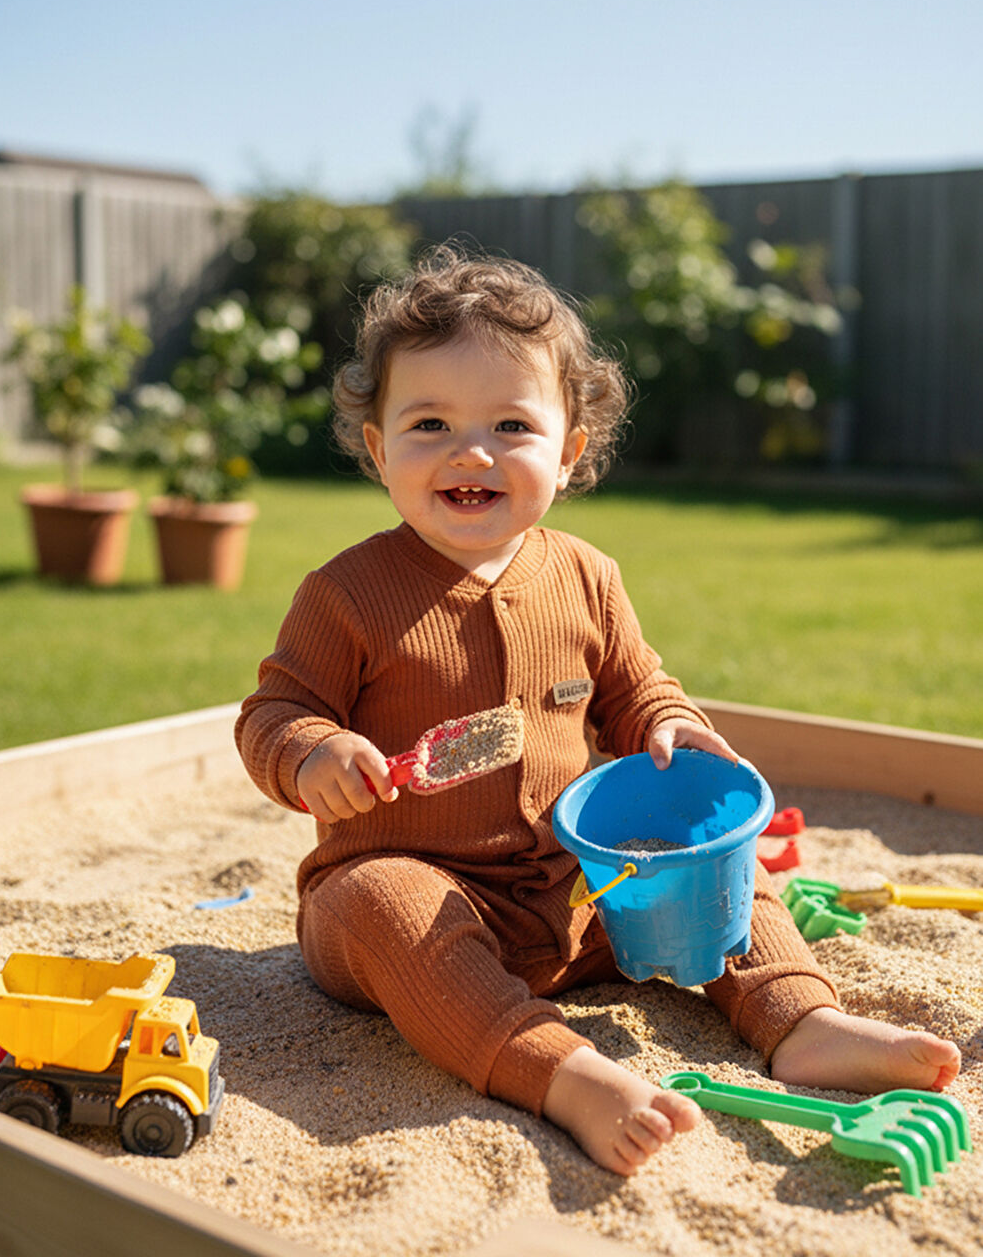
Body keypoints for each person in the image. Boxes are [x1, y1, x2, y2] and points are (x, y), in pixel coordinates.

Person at [236, 246, 960, 1176]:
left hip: (585, 901)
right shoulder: (347, 594)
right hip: (406, 896)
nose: (471, 451)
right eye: (429, 423)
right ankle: (561, 1070)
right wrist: (311, 752)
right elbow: (275, 709)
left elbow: (636, 688)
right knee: (386, 902)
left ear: (568, 451)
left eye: (510, 424)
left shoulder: (587, 577)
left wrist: (668, 725)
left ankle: (798, 1018)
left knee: (722, 861)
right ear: (378, 449)